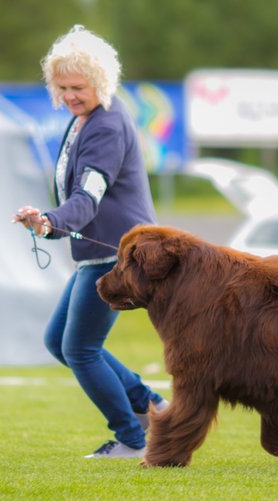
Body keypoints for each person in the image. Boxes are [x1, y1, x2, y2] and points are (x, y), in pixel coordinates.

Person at [13, 25, 167, 459]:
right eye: (60, 88)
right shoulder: (85, 120)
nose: (68, 96)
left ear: (100, 81)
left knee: (79, 349)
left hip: (114, 256)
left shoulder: (106, 126)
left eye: (77, 87)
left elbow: (88, 197)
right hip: (98, 254)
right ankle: (151, 405)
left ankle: (134, 440)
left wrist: (49, 222)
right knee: (59, 341)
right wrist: (47, 220)